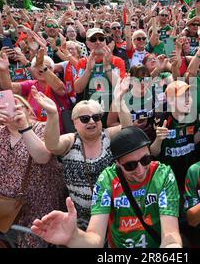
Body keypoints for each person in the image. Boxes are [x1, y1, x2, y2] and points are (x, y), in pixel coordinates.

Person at [31, 126, 183, 248]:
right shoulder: (107, 179)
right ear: (117, 163)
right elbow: (95, 238)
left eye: (145, 159)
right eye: (130, 165)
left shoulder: (163, 175)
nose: (141, 170)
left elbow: (170, 234)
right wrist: (73, 237)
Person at [0, 94, 66, 248]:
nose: (11, 110)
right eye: (5, 107)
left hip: (40, 202)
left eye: (17, 106)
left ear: (29, 110)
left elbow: (42, 157)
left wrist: (24, 127)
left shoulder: (41, 128)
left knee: (34, 242)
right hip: (6, 203)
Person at [32, 76, 132, 230]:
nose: (91, 122)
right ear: (75, 122)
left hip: (114, 211)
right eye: (85, 119)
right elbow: (52, 145)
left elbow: (128, 128)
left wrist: (120, 99)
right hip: (82, 218)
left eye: (96, 117)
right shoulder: (71, 140)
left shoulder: (108, 136)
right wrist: (52, 115)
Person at [150, 80, 200, 193]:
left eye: (189, 96)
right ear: (170, 101)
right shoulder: (160, 118)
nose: (188, 100)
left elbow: (192, 142)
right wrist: (159, 139)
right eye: (182, 97)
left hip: (188, 172)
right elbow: (153, 153)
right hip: (168, 176)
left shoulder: (194, 117)